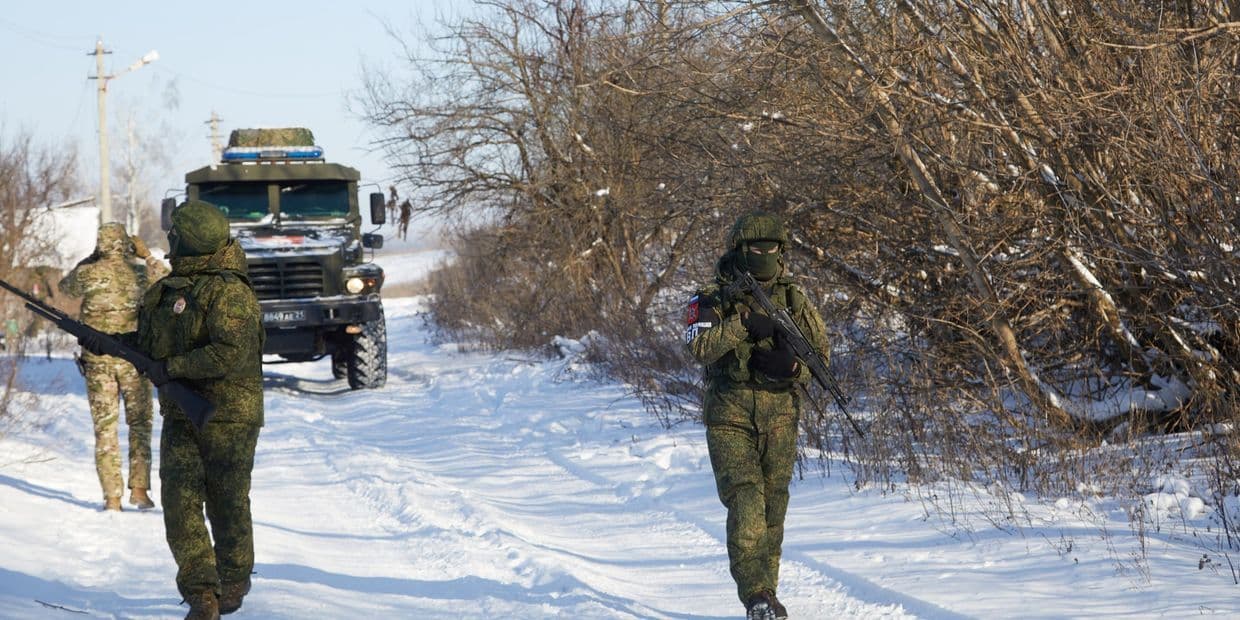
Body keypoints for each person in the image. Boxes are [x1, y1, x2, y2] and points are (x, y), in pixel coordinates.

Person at [83, 201, 264, 619]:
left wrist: (172, 369)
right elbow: (152, 346)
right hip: (182, 414)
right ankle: (202, 591)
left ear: (191, 240)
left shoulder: (229, 290)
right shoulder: (168, 290)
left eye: (176, 237)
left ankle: (233, 579)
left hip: (229, 414)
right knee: (180, 501)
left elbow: (230, 353)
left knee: (227, 501)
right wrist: (109, 341)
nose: (170, 243)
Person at [684, 211, 830, 620]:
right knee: (746, 500)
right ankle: (757, 597)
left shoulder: (794, 299)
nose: (766, 255)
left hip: (781, 417)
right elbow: (699, 347)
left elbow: (820, 356)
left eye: (773, 248)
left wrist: (791, 366)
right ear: (739, 250)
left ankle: (767, 596)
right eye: (756, 248)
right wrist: (743, 324)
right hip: (729, 413)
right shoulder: (711, 296)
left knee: (772, 512)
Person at [58, 223, 169, 512]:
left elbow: (64, 288)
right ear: (127, 245)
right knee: (140, 425)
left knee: (105, 429)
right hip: (135, 362)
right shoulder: (141, 274)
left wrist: (90, 258)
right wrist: (145, 256)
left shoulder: (87, 274)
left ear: (100, 245)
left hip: (98, 366)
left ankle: (112, 498)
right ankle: (140, 490)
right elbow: (169, 280)